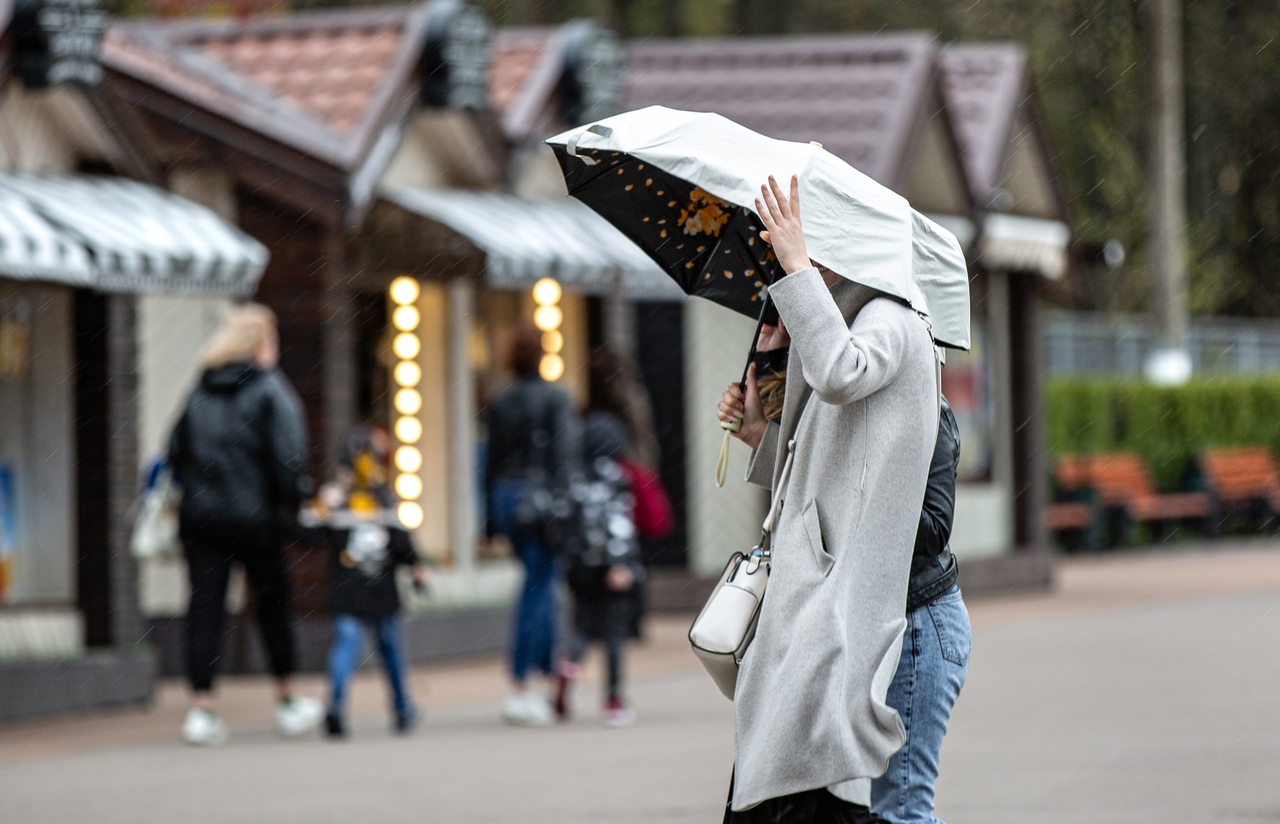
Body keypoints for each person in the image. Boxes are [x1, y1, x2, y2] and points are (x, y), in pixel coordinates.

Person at [716, 176, 940, 821]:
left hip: (831, 606)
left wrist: (794, 267)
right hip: (816, 598)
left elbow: (841, 375)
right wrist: (761, 426)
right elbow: (819, 467)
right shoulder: (867, 321)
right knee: (790, 786)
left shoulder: (892, 317)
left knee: (803, 786)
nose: (817, 251)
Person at [168, 304, 323, 746]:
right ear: (261, 345)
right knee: (273, 604)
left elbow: (175, 451)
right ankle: (288, 699)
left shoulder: (199, 390)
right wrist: (297, 503)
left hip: (201, 520)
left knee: (205, 610)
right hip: (256, 519)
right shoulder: (270, 389)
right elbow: (289, 456)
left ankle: (201, 708)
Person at [870, 395, 970, 823]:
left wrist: (869, 475)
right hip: (883, 627)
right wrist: (761, 434)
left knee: (901, 808)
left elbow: (934, 529)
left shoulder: (929, 410)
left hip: (919, 625)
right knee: (884, 808)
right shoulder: (859, 406)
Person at [304, 425, 430, 739]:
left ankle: (385, 707)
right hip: (366, 588)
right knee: (380, 649)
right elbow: (308, 534)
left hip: (363, 588)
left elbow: (400, 540)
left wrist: (414, 563)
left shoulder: (370, 497)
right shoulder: (366, 498)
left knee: (364, 648)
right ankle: (394, 709)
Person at [486, 323, 579, 726]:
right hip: (543, 502)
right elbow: (563, 457)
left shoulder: (500, 401)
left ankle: (534, 679)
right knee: (541, 590)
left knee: (536, 585)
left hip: (507, 498)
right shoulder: (557, 399)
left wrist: (488, 521)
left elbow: (489, 463)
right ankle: (528, 680)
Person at [553, 412, 646, 727]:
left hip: (580, 568)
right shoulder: (616, 478)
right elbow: (619, 522)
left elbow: (563, 524)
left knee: (581, 626)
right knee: (614, 634)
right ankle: (613, 700)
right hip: (610, 568)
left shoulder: (573, 479)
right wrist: (621, 564)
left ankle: (568, 668)